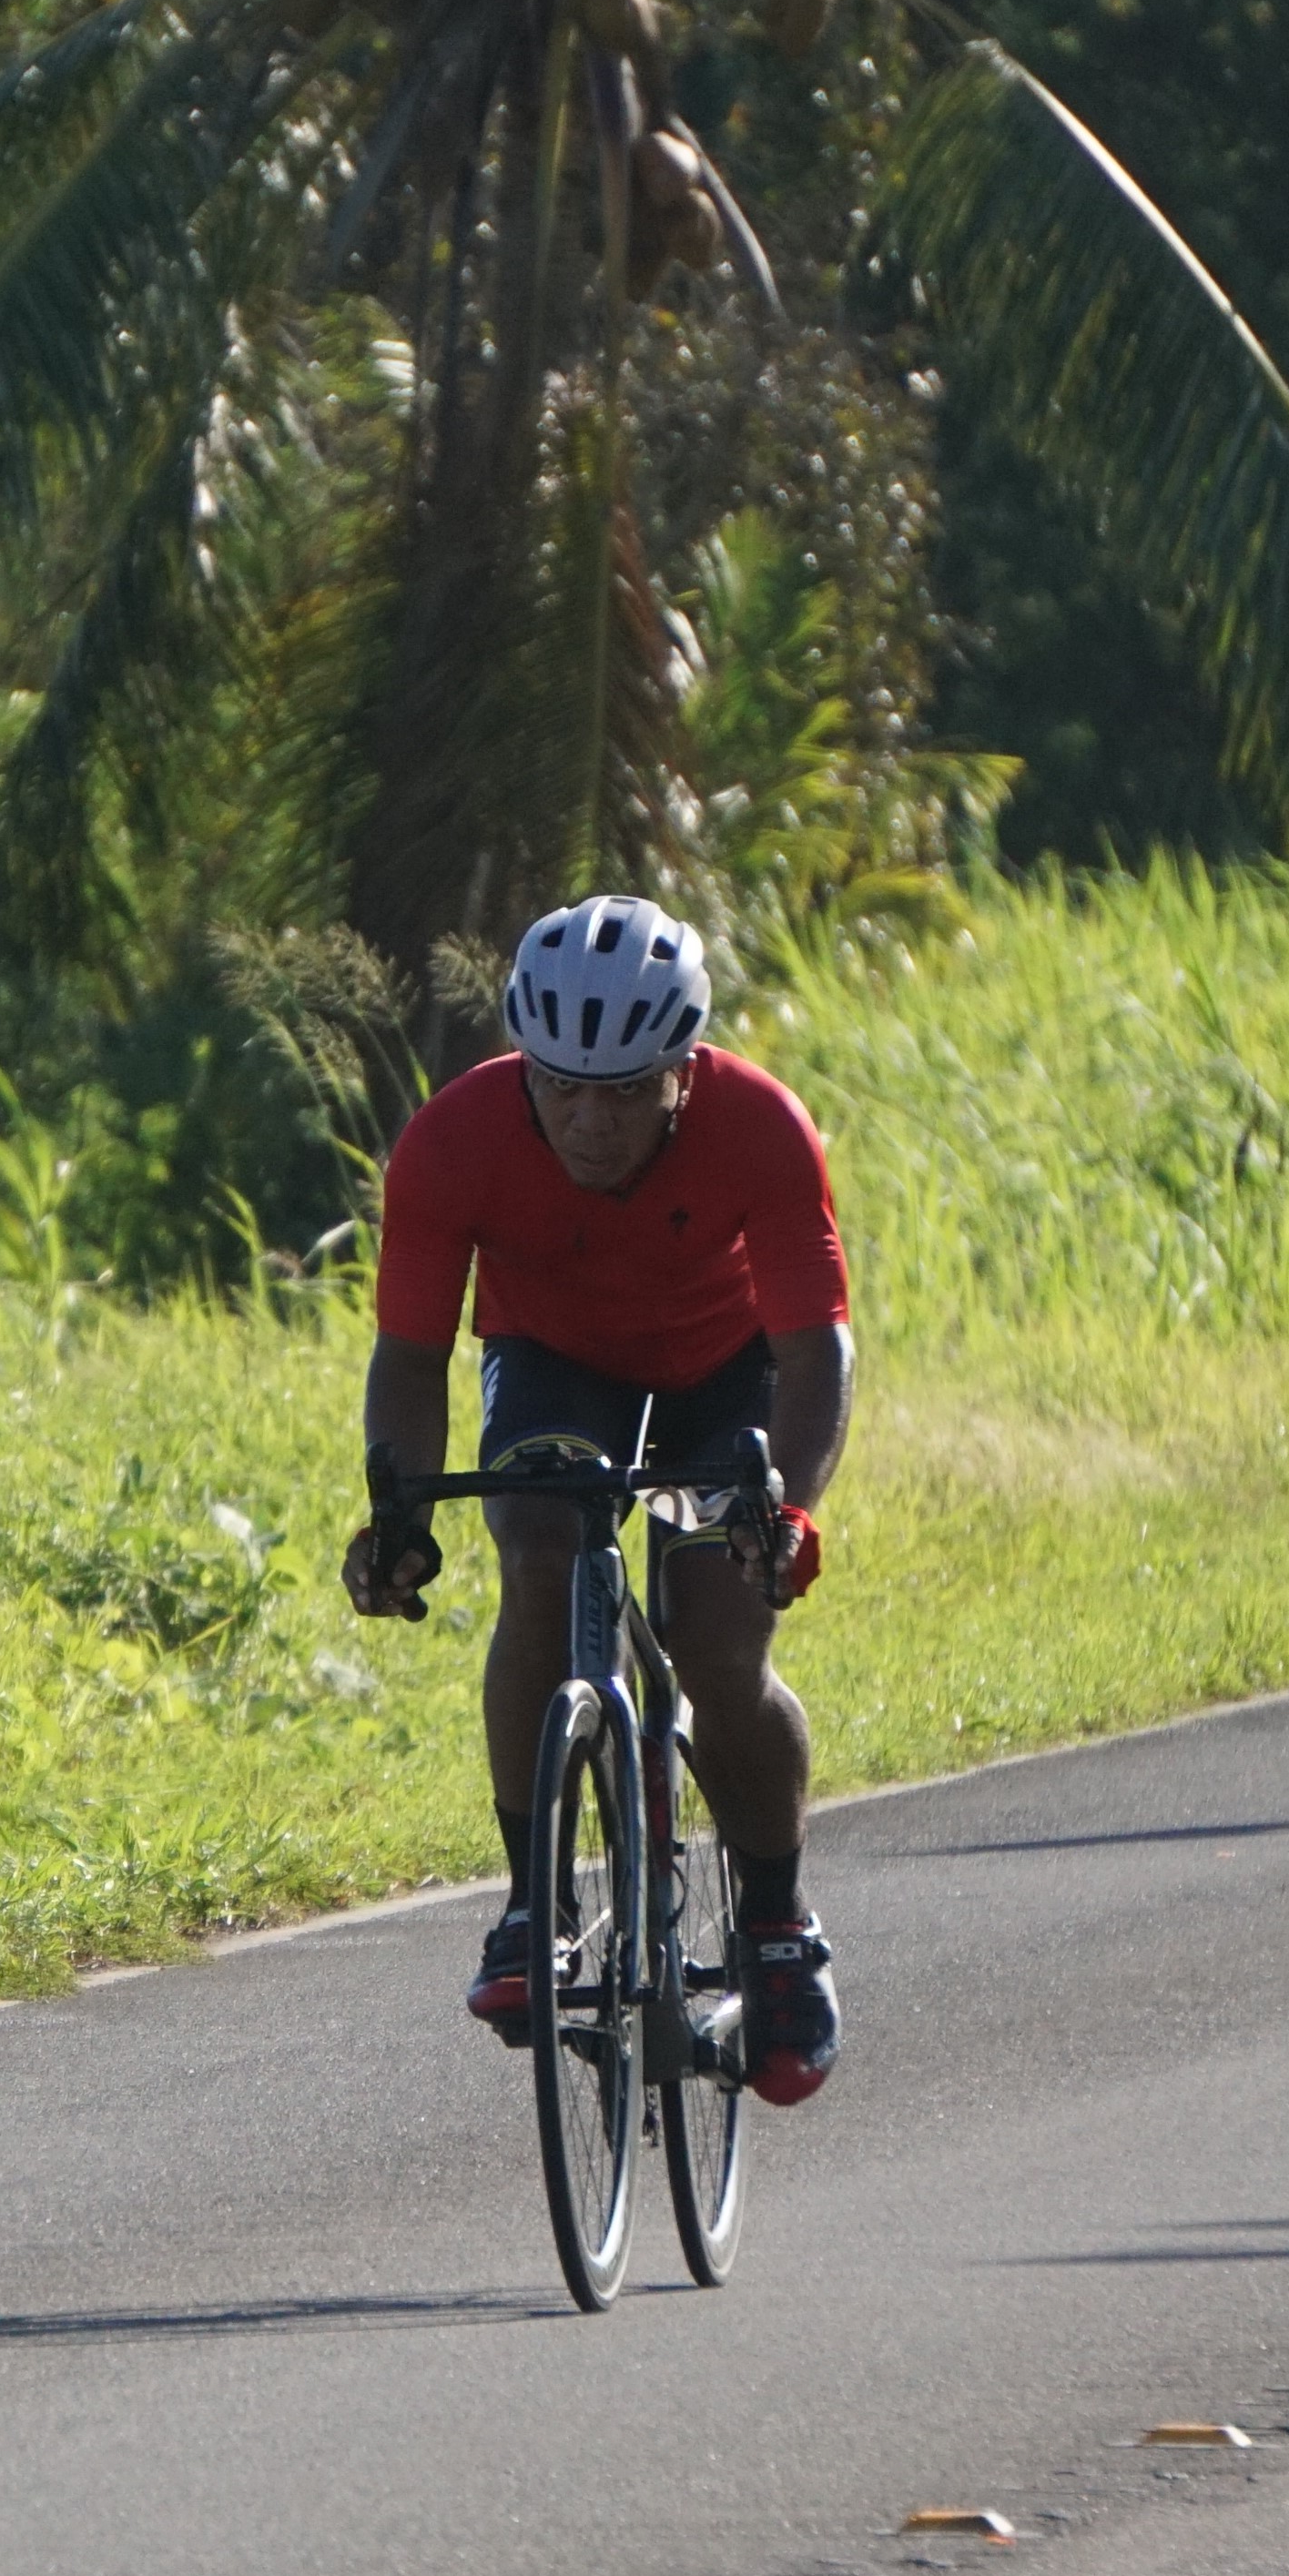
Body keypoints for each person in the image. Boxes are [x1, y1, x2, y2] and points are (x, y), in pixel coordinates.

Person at [339, 897, 854, 2104]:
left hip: (726, 1375)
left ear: (684, 1072)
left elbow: (814, 1354)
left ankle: (779, 1930)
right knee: (537, 1546)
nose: (588, 1119)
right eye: (563, 1087)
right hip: (556, 1364)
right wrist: (402, 1515)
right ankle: (532, 1905)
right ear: (527, 1064)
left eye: (626, 1092)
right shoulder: (453, 1141)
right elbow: (411, 1361)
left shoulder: (764, 1130)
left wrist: (785, 1505)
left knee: (719, 1638)